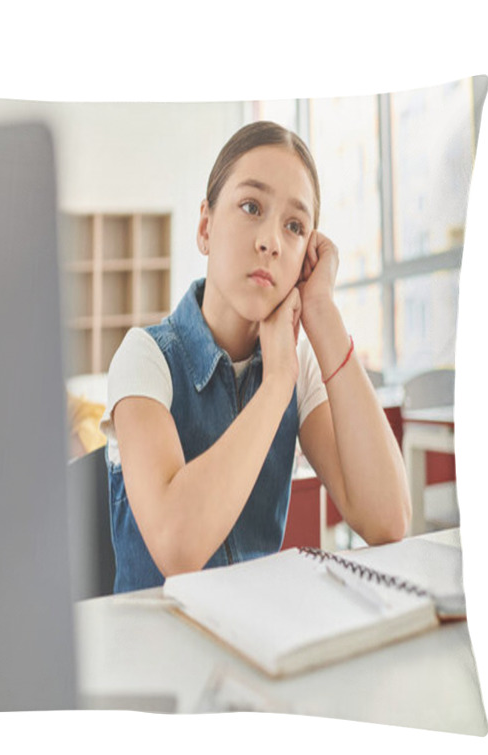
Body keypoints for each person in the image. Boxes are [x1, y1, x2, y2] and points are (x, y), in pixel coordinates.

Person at [99, 121, 410, 593]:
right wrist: (276, 382)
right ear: (205, 227)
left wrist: (321, 313)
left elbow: (387, 519)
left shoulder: (297, 364)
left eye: (294, 226)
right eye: (251, 207)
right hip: (155, 648)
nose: (272, 241)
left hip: (259, 639)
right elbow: (178, 547)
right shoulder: (145, 357)